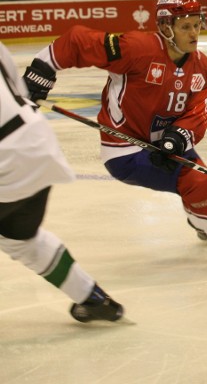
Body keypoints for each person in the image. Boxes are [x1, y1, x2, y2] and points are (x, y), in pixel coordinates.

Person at [22, 0, 207, 262]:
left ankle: (202, 221)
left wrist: (179, 136)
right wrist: (42, 69)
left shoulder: (203, 68)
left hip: (166, 144)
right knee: (197, 180)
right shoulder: (136, 48)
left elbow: (200, 110)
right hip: (125, 150)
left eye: (196, 25)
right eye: (185, 26)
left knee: (200, 183)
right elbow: (77, 41)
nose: (194, 33)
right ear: (166, 28)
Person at [0, 42, 123, 322]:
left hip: (4, 156)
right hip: (35, 139)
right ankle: (92, 299)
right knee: (18, 238)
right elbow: (18, 87)